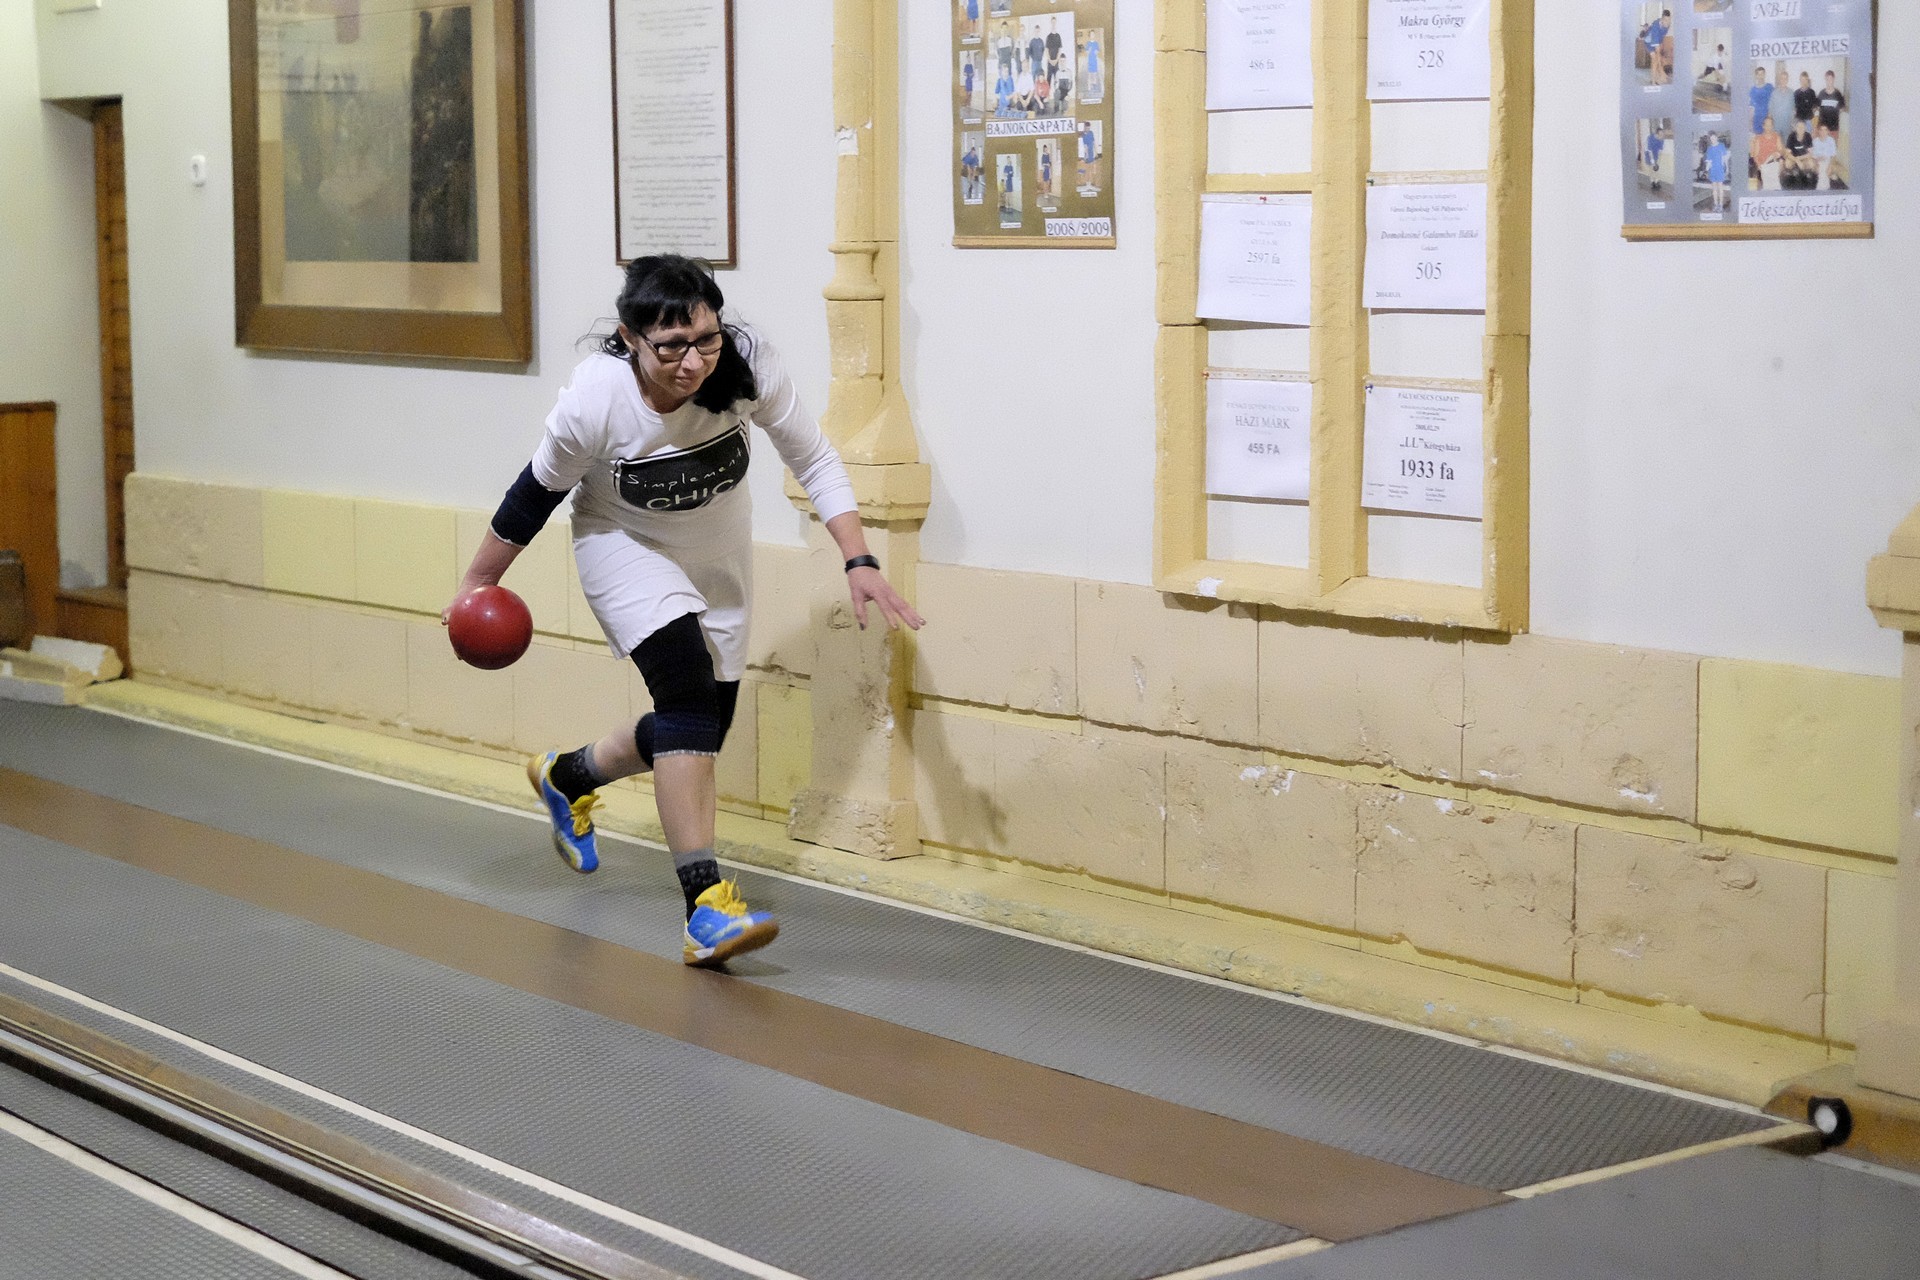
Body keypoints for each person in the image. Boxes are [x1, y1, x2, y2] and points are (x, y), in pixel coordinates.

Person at [450, 256, 923, 967]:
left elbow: (815, 460)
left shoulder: (747, 367)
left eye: (706, 339)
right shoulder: (596, 400)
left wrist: (858, 559)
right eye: (672, 346)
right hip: (623, 546)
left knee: (702, 728)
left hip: (717, 555)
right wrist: (474, 587)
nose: (694, 361)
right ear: (630, 338)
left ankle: (568, 776)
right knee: (686, 700)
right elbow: (532, 498)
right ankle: (705, 907)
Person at [1749, 118, 1781, 191]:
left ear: (1772, 126)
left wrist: (1777, 154)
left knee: (1780, 164)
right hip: (1763, 165)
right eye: (1766, 125)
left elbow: (1780, 150)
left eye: (1770, 125)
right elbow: (1755, 155)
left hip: (1774, 163)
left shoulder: (1777, 137)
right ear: (1763, 126)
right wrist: (1759, 165)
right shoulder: (1758, 138)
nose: (1768, 128)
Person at [1782, 118, 1815, 188]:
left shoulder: (1808, 136)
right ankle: (1793, 173)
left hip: (1803, 158)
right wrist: (1797, 160)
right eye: (1798, 127)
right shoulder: (1791, 136)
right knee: (1787, 163)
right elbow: (1787, 154)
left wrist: (1800, 159)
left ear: (1805, 128)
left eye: (1802, 127)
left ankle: (1806, 176)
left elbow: (1810, 154)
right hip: (1794, 158)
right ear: (1795, 128)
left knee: (1811, 163)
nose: (1800, 129)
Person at [1643, 10, 1670, 83]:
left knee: (1658, 59)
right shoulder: (1655, 26)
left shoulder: (1667, 25)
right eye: (1666, 20)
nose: (1667, 22)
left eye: (1669, 20)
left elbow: (1661, 37)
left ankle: (1656, 78)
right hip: (1648, 43)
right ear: (1662, 19)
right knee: (1655, 59)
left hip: (1656, 41)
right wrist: (1661, 71)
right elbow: (1657, 51)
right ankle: (1653, 81)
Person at [1705, 131, 1729, 212]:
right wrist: (1706, 170)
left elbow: (1725, 158)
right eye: (1711, 139)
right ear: (1710, 139)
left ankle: (1721, 205)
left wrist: (1727, 168)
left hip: (1720, 169)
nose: (1713, 140)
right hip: (1712, 170)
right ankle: (1716, 204)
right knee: (1714, 189)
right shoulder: (1709, 149)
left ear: (1716, 137)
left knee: (1720, 188)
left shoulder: (1721, 146)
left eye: (1714, 138)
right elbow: (1709, 161)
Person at [1816, 70, 1846, 134]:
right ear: (1825, 80)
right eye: (1827, 79)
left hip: (1834, 128)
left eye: (1830, 79)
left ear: (1833, 79)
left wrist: (1834, 113)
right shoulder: (1821, 93)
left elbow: (1842, 108)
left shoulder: (1838, 94)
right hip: (1822, 129)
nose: (1829, 82)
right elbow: (1818, 107)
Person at [1812, 122, 1838, 189]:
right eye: (1821, 130)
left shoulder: (1831, 140)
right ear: (1818, 131)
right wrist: (1816, 164)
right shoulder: (1815, 141)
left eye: (1825, 130)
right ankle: (1825, 188)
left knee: (1824, 169)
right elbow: (1813, 156)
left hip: (1828, 161)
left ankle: (1820, 188)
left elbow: (1833, 156)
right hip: (1818, 161)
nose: (1823, 132)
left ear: (1828, 131)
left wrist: (1830, 166)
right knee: (1822, 168)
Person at [1747, 65, 1773, 134]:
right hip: (1756, 119)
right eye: (1759, 74)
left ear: (1764, 75)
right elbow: (1751, 107)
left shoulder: (1769, 87)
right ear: (1756, 76)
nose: (1761, 76)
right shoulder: (1753, 90)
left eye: (1762, 74)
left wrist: (1770, 116)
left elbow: (1773, 103)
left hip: (1767, 118)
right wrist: (1750, 120)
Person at [1644, 122, 1666, 192]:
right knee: (1651, 169)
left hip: (1656, 153)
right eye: (1660, 135)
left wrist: (1657, 163)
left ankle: (1657, 182)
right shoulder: (1650, 138)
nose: (1662, 137)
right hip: (1648, 153)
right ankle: (1652, 182)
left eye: (1663, 135)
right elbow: (1650, 151)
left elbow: (1660, 152)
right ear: (1657, 134)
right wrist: (1653, 162)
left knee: (1656, 169)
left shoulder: (1661, 140)